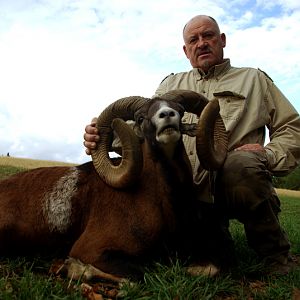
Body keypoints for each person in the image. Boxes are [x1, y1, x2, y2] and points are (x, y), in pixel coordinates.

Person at [83, 15, 300, 274]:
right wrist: (103, 136)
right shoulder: (171, 85)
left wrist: (269, 153)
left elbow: (292, 128)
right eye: (193, 40)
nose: (202, 44)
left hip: (229, 184)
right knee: (191, 254)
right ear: (186, 51)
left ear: (222, 40)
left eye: (208, 36)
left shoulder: (253, 80)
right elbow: (149, 127)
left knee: (241, 166)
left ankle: (275, 255)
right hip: (181, 193)